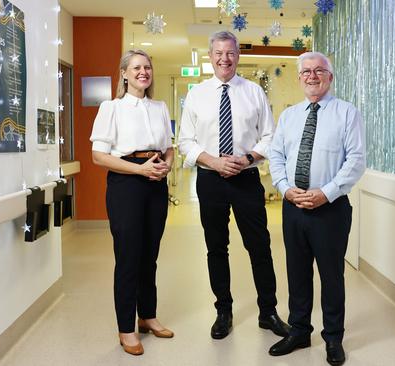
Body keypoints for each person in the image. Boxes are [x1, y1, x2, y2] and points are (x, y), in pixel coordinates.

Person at [178, 30, 289, 340]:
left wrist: (248, 157)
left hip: (246, 179)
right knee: (216, 247)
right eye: (218, 53)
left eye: (230, 53)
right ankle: (223, 311)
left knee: (260, 246)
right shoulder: (197, 94)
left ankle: (268, 312)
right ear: (210, 56)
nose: (224, 58)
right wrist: (213, 162)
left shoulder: (253, 92)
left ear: (237, 56)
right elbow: (185, 140)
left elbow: (271, 135)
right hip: (210, 180)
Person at [268, 51, 366, 366]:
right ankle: (298, 330)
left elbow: (355, 161)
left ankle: (333, 338)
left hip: (330, 209)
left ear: (330, 77)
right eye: (306, 71)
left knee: (331, 276)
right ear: (299, 78)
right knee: (297, 273)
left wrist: (326, 193)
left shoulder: (347, 113)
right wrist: (285, 189)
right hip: (293, 206)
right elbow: (276, 156)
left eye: (319, 70)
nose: (312, 76)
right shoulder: (289, 116)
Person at [90, 49, 174, 356]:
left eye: (148, 67)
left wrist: (165, 165)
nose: (144, 72)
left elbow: (168, 148)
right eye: (137, 67)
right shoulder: (111, 108)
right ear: (124, 73)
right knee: (128, 258)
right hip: (126, 184)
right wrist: (140, 169)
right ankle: (126, 329)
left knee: (149, 256)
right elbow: (99, 156)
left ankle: (147, 317)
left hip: (155, 185)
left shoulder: (160, 107)